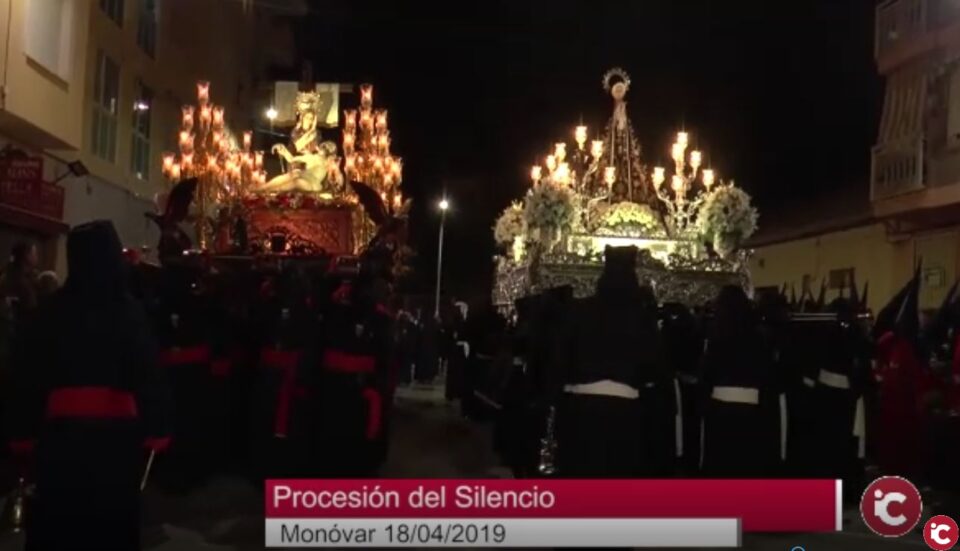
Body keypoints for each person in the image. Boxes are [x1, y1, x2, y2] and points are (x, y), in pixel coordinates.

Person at [8, 220, 171, 551]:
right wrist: (158, 427)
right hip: (115, 441)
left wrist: (22, 434)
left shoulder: (51, 312)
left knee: (60, 523)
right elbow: (147, 373)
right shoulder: (129, 313)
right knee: (109, 525)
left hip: (60, 439)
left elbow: (25, 376)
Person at [556, 246, 667, 477]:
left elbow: (562, 357)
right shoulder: (641, 314)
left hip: (582, 408)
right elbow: (654, 364)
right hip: (625, 411)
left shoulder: (580, 309)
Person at [700, 285, 778, 477]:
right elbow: (767, 375)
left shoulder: (716, 335)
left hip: (720, 408)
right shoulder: (759, 337)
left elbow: (707, 374)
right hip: (750, 408)